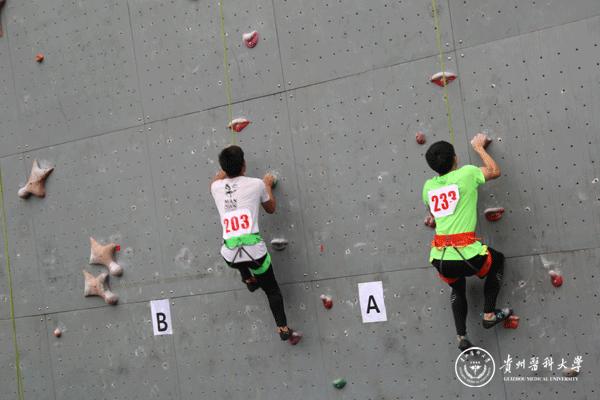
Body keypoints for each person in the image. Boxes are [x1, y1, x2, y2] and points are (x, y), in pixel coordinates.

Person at [422, 134, 513, 351]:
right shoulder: (467, 173)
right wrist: (479, 147)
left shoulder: (428, 187)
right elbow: (494, 171)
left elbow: (434, 212)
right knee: (497, 260)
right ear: (455, 158)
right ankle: (489, 313)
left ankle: (461, 336)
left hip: (440, 257)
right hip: (466, 253)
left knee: (457, 286)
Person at [210, 145, 299, 343]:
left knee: (237, 255)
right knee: (271, 290)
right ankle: (282, 328)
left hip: (230, 255)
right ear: (244, 165)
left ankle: (249, 279)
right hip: (254, 254)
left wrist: (227, 166)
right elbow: (271, 208)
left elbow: (217, 178)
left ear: (223, 168)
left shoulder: (215, 188)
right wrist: (267, 184)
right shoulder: (257, 184)